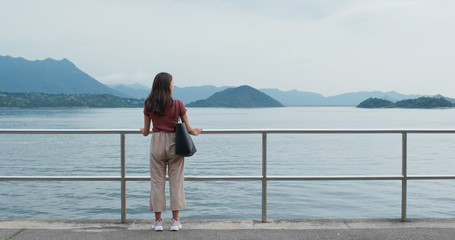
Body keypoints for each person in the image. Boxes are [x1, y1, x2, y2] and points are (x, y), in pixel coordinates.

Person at [140, 72, 202, 231]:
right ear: (168, 86)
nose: (173, 84)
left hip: (157, 143)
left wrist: (142, 130)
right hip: (175, 143)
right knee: (176, 181)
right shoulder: (178, 104)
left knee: (157, 182)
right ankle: (175, 221)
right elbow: (189, 129)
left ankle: (158, 221)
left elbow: (147, 131)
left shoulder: (149, 104)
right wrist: (197, 131)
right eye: (172, 82)